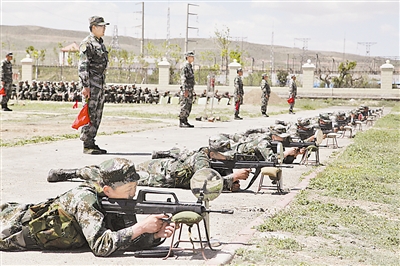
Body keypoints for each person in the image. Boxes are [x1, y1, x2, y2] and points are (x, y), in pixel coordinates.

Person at [0, 158, 175, 256]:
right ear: (107, 189)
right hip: (9, 228)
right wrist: (141, 227)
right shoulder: (85, 199)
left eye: (135, 187)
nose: (133, 193)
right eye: (129, 189)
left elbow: (123, 240)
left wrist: (153, 235)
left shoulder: (117, 201)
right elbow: (101, 246)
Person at [47, 149, 251, 192]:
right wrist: (229, 179)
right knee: (109, 174)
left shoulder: (203, 160)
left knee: (115, 178)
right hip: (157, 173)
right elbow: (201, 182)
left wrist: (227, 180)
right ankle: (71, 173)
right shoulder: (201, 157)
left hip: (159, 174)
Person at [78, 16, 110, 154]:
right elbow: (83, 66)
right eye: (101, 26)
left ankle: (91, 141)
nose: (104, 28)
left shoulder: (100, 43)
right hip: (91, 84)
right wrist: (85, 86)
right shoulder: (87, 43)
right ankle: (86, 143)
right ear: (93, 27)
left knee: (97, 113)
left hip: (99, 84)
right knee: (90, 113)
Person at [179, 51, 195, 128]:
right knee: (184, 104)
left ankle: (185, 120)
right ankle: (181, 120)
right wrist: (185, 89)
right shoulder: (185, 66)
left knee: (189, 105)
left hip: (190, 89)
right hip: (186, 89)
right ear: (188, 57)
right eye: (192, 57)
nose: (193, 58)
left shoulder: (190, 66)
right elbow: (183, 79)